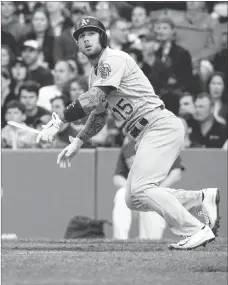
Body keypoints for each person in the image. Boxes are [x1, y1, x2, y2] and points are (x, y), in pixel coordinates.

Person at [37, 16, 220, 250]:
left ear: (102, 37)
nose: (86, 39)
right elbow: (100, 114)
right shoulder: (96, 74)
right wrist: (79, 141)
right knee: (132, 198)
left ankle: (196, 230)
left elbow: (93, 99)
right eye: (81, 36)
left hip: (157, 124)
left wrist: (60, 118)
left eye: (91, 33)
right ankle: (201, 199)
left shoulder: (113, 59)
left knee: (142, 188)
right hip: (146, 131)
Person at [113, 137, 185, 240]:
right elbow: (117, 177)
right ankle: (120, 241)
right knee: (121, 194)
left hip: (157, 191)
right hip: (135, 190)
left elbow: (176, 173)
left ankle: (150, 243)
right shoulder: (128, 147)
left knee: (152, 239)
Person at [155, 17, 193, 93]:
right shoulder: (154, 52)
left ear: (173, 31)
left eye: (165, 28)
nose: (161, 31)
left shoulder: (182, 53)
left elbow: (186, 79)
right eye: (159, 28)